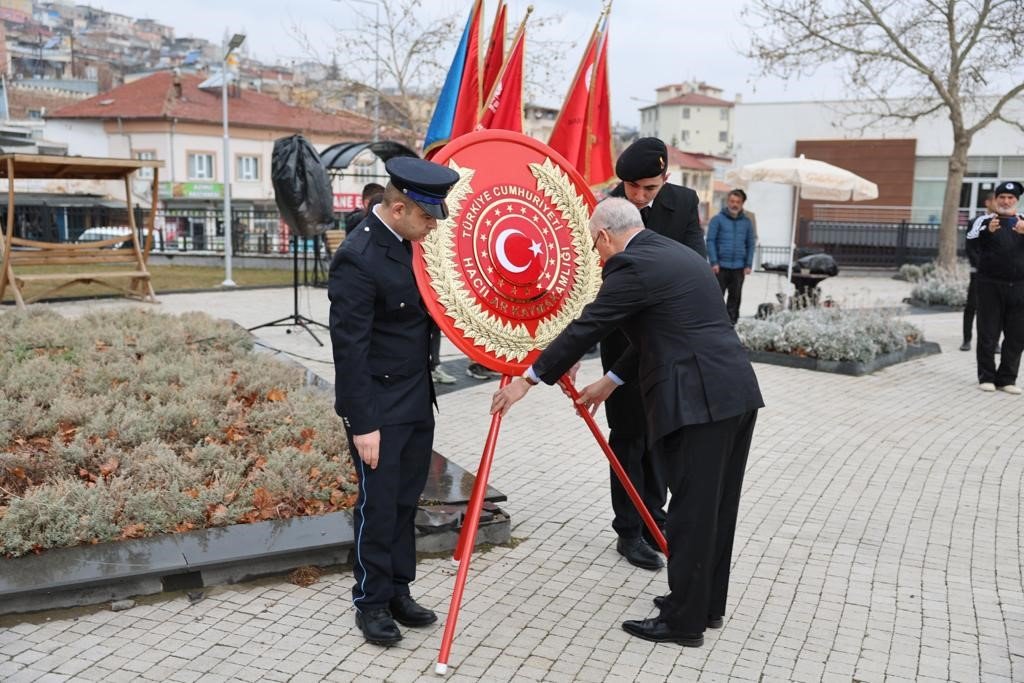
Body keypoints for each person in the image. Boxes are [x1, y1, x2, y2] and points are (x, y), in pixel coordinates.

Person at [490, 198, 764, 647]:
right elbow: (663, 329)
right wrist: (611, 381)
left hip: (698, 403)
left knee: (691, 514)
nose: (596, 256)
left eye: (594, 246)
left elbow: (588, 326)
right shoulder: (677, 254)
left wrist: (528, 380)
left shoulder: (630, 266)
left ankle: (683, 623)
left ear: (604, 236)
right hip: (735, 393)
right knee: (716, 509)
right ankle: (704, 605)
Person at [328, 156, 459, 646]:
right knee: (379, 506)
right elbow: (350, 349)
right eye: (427, 216)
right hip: (378, 407)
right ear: (398, 207)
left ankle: (399, 589)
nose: (433, 225)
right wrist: (362, 423)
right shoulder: (359, 256)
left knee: (406, 503)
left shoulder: (412, 244)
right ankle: (372, 602)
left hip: (415, 397)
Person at [598, 137, 707, 571]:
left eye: (649, 188)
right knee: (628, 436)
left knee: (660, 432)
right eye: (632, 187)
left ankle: (654, 519)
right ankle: (628, 530)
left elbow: (695, 263)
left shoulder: (683, 203)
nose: (639, 197)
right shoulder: (607, 209)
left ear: (666, 178)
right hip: (622, 339)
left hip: (666, 339)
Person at [965, 180, 1024, 394]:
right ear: (995, 200)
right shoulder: (982, 221)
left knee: (1017, 335)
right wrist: (987, 232)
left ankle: (1007, 379)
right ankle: (987, 376)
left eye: (1010, 198)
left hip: (1020, 287)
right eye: (1002, 197)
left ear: (1017, 200)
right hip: (990, 285)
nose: (1006, 201)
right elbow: (970, 243)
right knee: (988, 333)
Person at [706, 189, 757, 324]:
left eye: (737, 202)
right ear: (727, 202)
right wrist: (714, 262)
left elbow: (751, 244)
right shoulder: (717, 220)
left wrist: (748, 264)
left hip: (739, 268)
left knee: (735, 299)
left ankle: (731, 325)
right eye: (732, 201)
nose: (734, 204)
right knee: (716, 298)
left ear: (742, 203)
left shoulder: (747, 222)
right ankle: (715, 325)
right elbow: (710, 241)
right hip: (720, 267)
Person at [962, 191, 996, 351]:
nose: (1001, 203)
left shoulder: (1005, 223)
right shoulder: (974, 222)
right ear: (987, 203)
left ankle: (994, 342)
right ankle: (966, 340)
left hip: (998, 275)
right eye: (996, 200)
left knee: (995, 309)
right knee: (971, 306)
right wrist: (983, 266)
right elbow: (970, 247)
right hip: (979, 272)